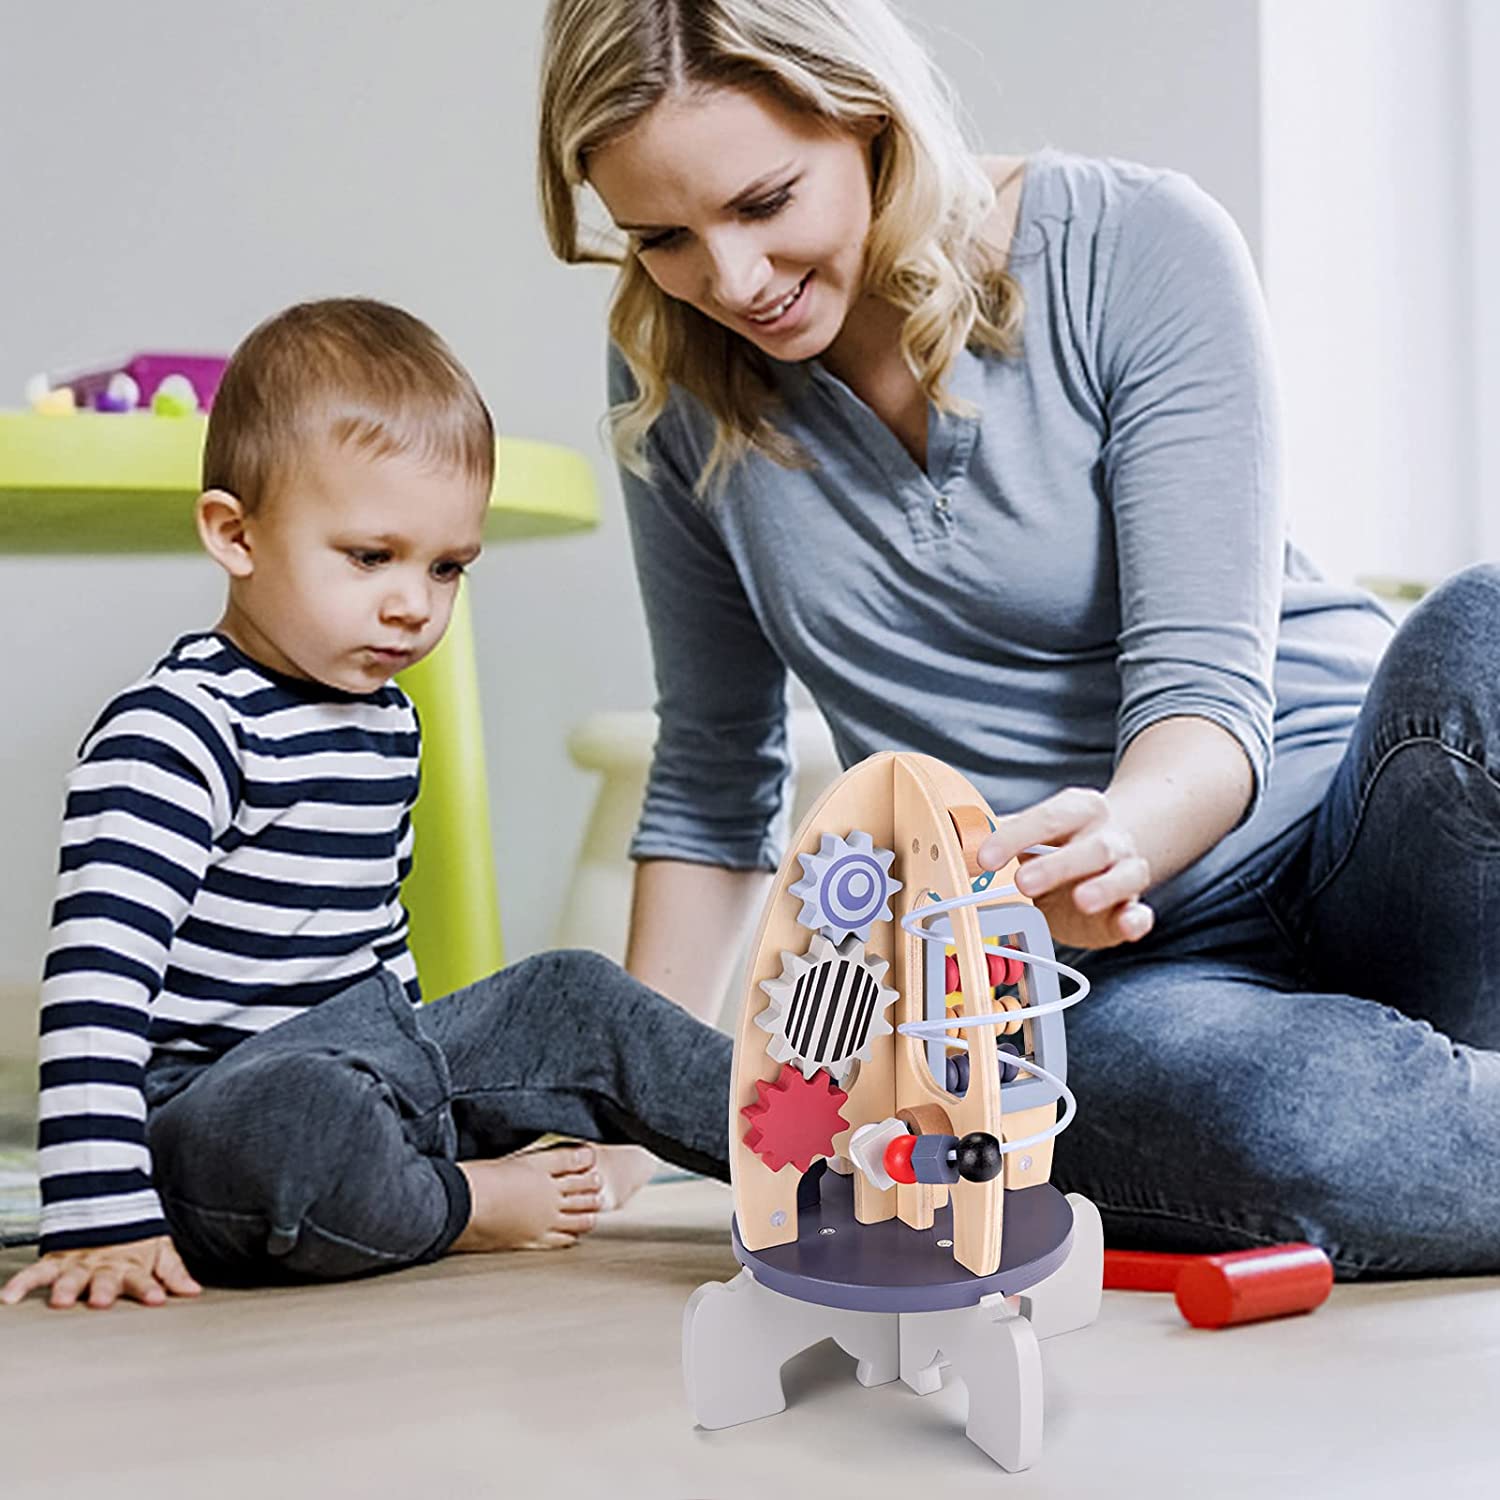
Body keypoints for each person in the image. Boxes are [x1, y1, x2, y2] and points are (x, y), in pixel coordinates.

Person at [537, 0, 1500, 1278]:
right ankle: (1415, 1102)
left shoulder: (1135, 242)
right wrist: (627, 1124)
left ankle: (1434, 1105)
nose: (733, 281)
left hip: (1367, 836)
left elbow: (1205, 702)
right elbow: (716, 774)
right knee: (1289, 1128)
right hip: (1093, 984)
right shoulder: (672, 375)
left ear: (870, 118)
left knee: (1485, 628)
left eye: (766, 202)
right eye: (662, 238)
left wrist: (1117, 836)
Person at [0, 298, 731, 1311]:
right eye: (370, 557)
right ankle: (456, 1206)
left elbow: (377, 955)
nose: (413, 604)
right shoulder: (176, 731)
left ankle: (835, 1148)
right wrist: (101, 1217)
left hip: (373, 1070)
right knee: (305, 1117)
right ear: (235, 534)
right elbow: (94, 988)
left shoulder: (386, 720)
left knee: (575, 991)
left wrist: (424, 1076)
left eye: (446, 568)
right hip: (217, 1120)